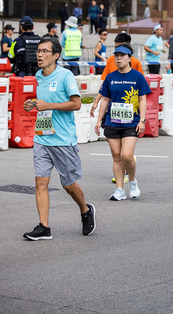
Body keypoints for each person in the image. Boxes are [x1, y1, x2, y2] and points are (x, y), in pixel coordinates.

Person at [22, 37, 96, 240]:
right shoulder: (38, 76)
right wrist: (33, 104)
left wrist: (48, 106)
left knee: (68, 184)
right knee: (40, 181)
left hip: (63, 139)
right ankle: (44, 227)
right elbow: (44, 101)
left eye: (45, 51)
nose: (40, 54)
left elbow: (76, 104)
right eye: (38, 51)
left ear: (56, 55)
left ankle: (85, 210)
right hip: (42, 137)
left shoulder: (65, 76)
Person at [95, 44, 150, 201]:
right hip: (112, 122)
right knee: (117, 156)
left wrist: (142, 120)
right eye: (116, 56)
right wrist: (98, 121)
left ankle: (132, 181)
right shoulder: (110, 77)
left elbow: (142, 99)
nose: (119, 58)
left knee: (127, 155)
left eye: (122, 55)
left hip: (131, 122)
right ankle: (119, 189)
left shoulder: (138, 77)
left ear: (130, 58)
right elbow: (105, 99)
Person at [90, 32, 145, 119]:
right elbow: (105, 84)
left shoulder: (136, 63)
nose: (117, 52)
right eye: (115, 48)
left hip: (131, 109)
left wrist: (142, 118)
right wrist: (96, 101)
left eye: (120, 48)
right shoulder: (111, 60)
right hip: (112, 107)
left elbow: (142, 90)